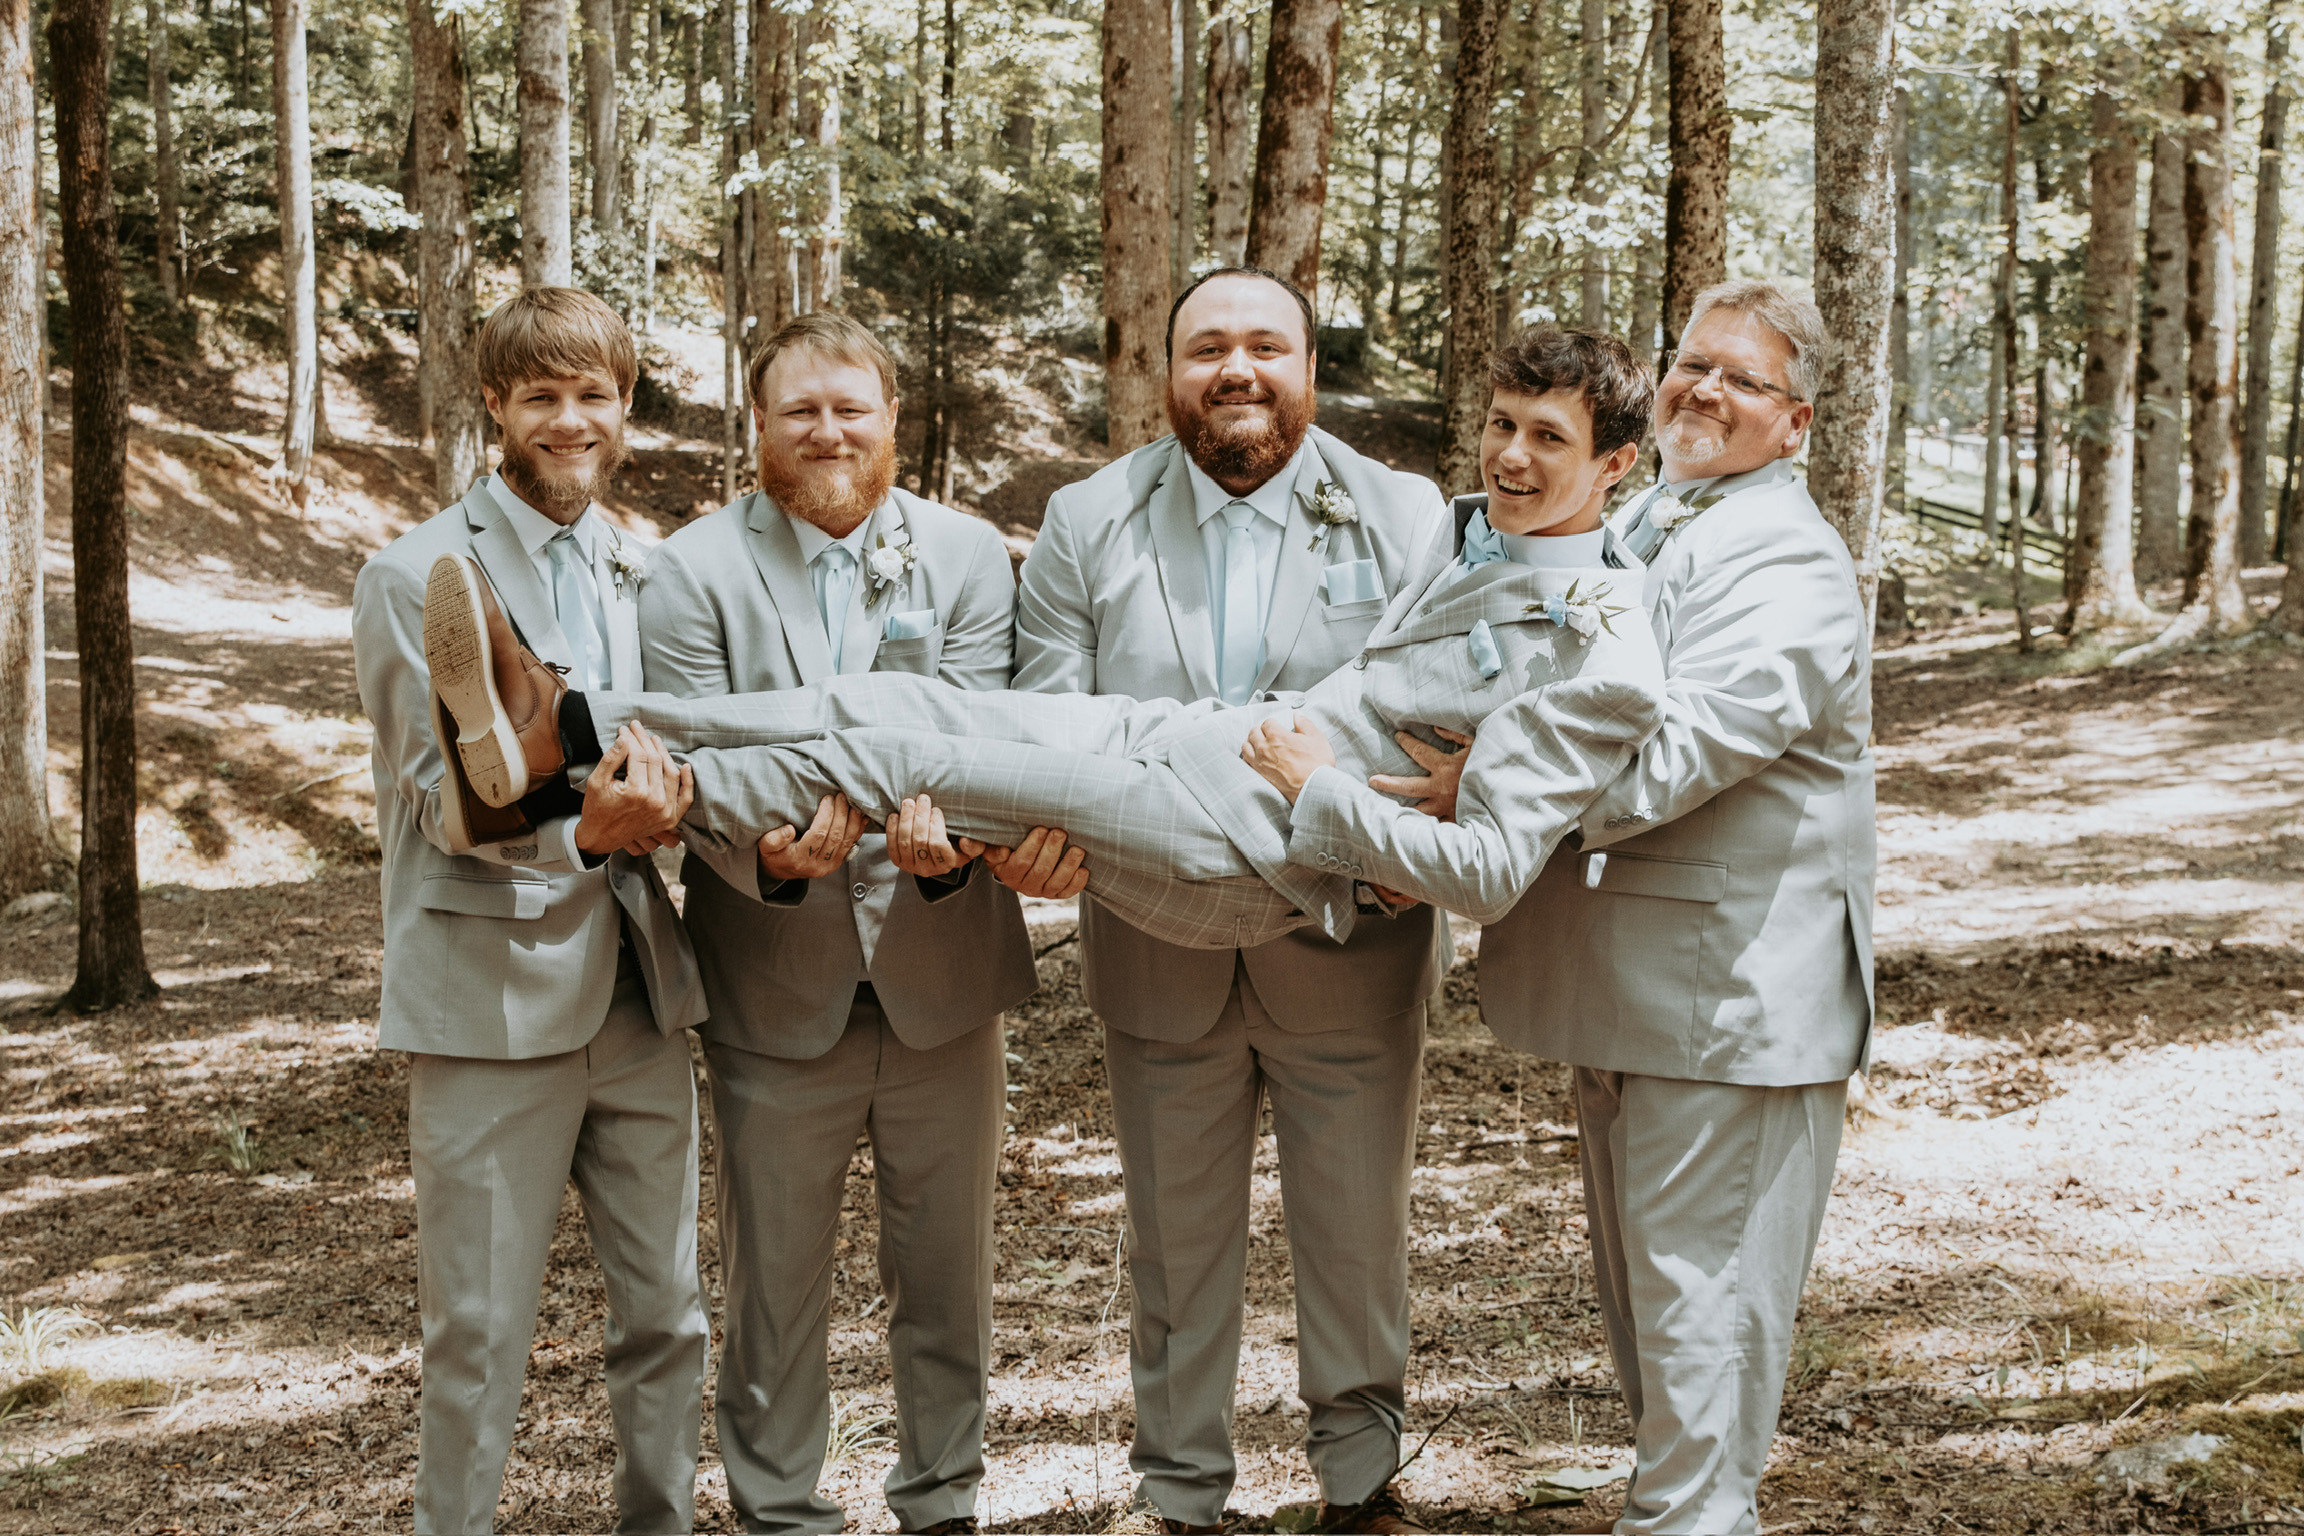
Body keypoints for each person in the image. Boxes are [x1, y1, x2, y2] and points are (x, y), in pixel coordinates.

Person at [420, 328, 1666, 956]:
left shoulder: (1603, 651)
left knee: (894, 745)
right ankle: (558, 749)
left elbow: (1495, 874)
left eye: (1548, 441)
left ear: (1615, 463)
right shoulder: (1458, 532)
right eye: (1503, 424)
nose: (1510, 456)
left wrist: (1329, 791)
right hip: (1188, 742)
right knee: (885, 703)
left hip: (1251, 844)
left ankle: (557, 749)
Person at [1004, 265, 1455, 1536]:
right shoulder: (1090, 519)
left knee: (1358, 1225)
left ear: (1309, 367)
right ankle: (1180, 1492)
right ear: (1165, 373)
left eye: (1268, 345)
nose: (1238, 371)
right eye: (1209, 348)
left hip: (1352, 932)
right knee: (1174, 1238)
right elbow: (1054, 730)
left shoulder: (1406, 515)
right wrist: (1051, 840)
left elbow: (1440, 719)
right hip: (1156, 933)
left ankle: (1361, 1485)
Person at [1479, 280, 1875, 1536]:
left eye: (1745, 380)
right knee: (1660, 1331)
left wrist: (1469, 794)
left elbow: (1679, 754)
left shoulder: (1793, 561)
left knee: (1706, 1334)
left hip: (1732, 1006)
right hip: (1637, 993)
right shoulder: (1654, 511)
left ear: (1797, 424)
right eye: (1695, 364)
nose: (1706, 390)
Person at [640, 310, 1035, 1536]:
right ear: (757, 426)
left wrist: (937, 841)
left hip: (941, 951)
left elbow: (971, 742)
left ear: (893, 422)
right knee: (774, 1282)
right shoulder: (691, 569)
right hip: (773, 962)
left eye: (850, 408)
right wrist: (757, 851)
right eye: (799, 410)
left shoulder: (971, 559)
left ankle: (942, 1502)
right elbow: (694, 763)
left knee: (947, 1274)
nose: (827, 431)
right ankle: (778, 1509)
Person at [350, 286, 709, 1536]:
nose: (570, 421)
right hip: (486, 999)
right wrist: (572, 829)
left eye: (594, 396)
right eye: (541, 397)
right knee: (480, 1336)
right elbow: (422, 803)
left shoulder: (644, 566)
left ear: (626, 409)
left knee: (668, 1313)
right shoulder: (411, 573)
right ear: (494, 405)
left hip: (637, 986)